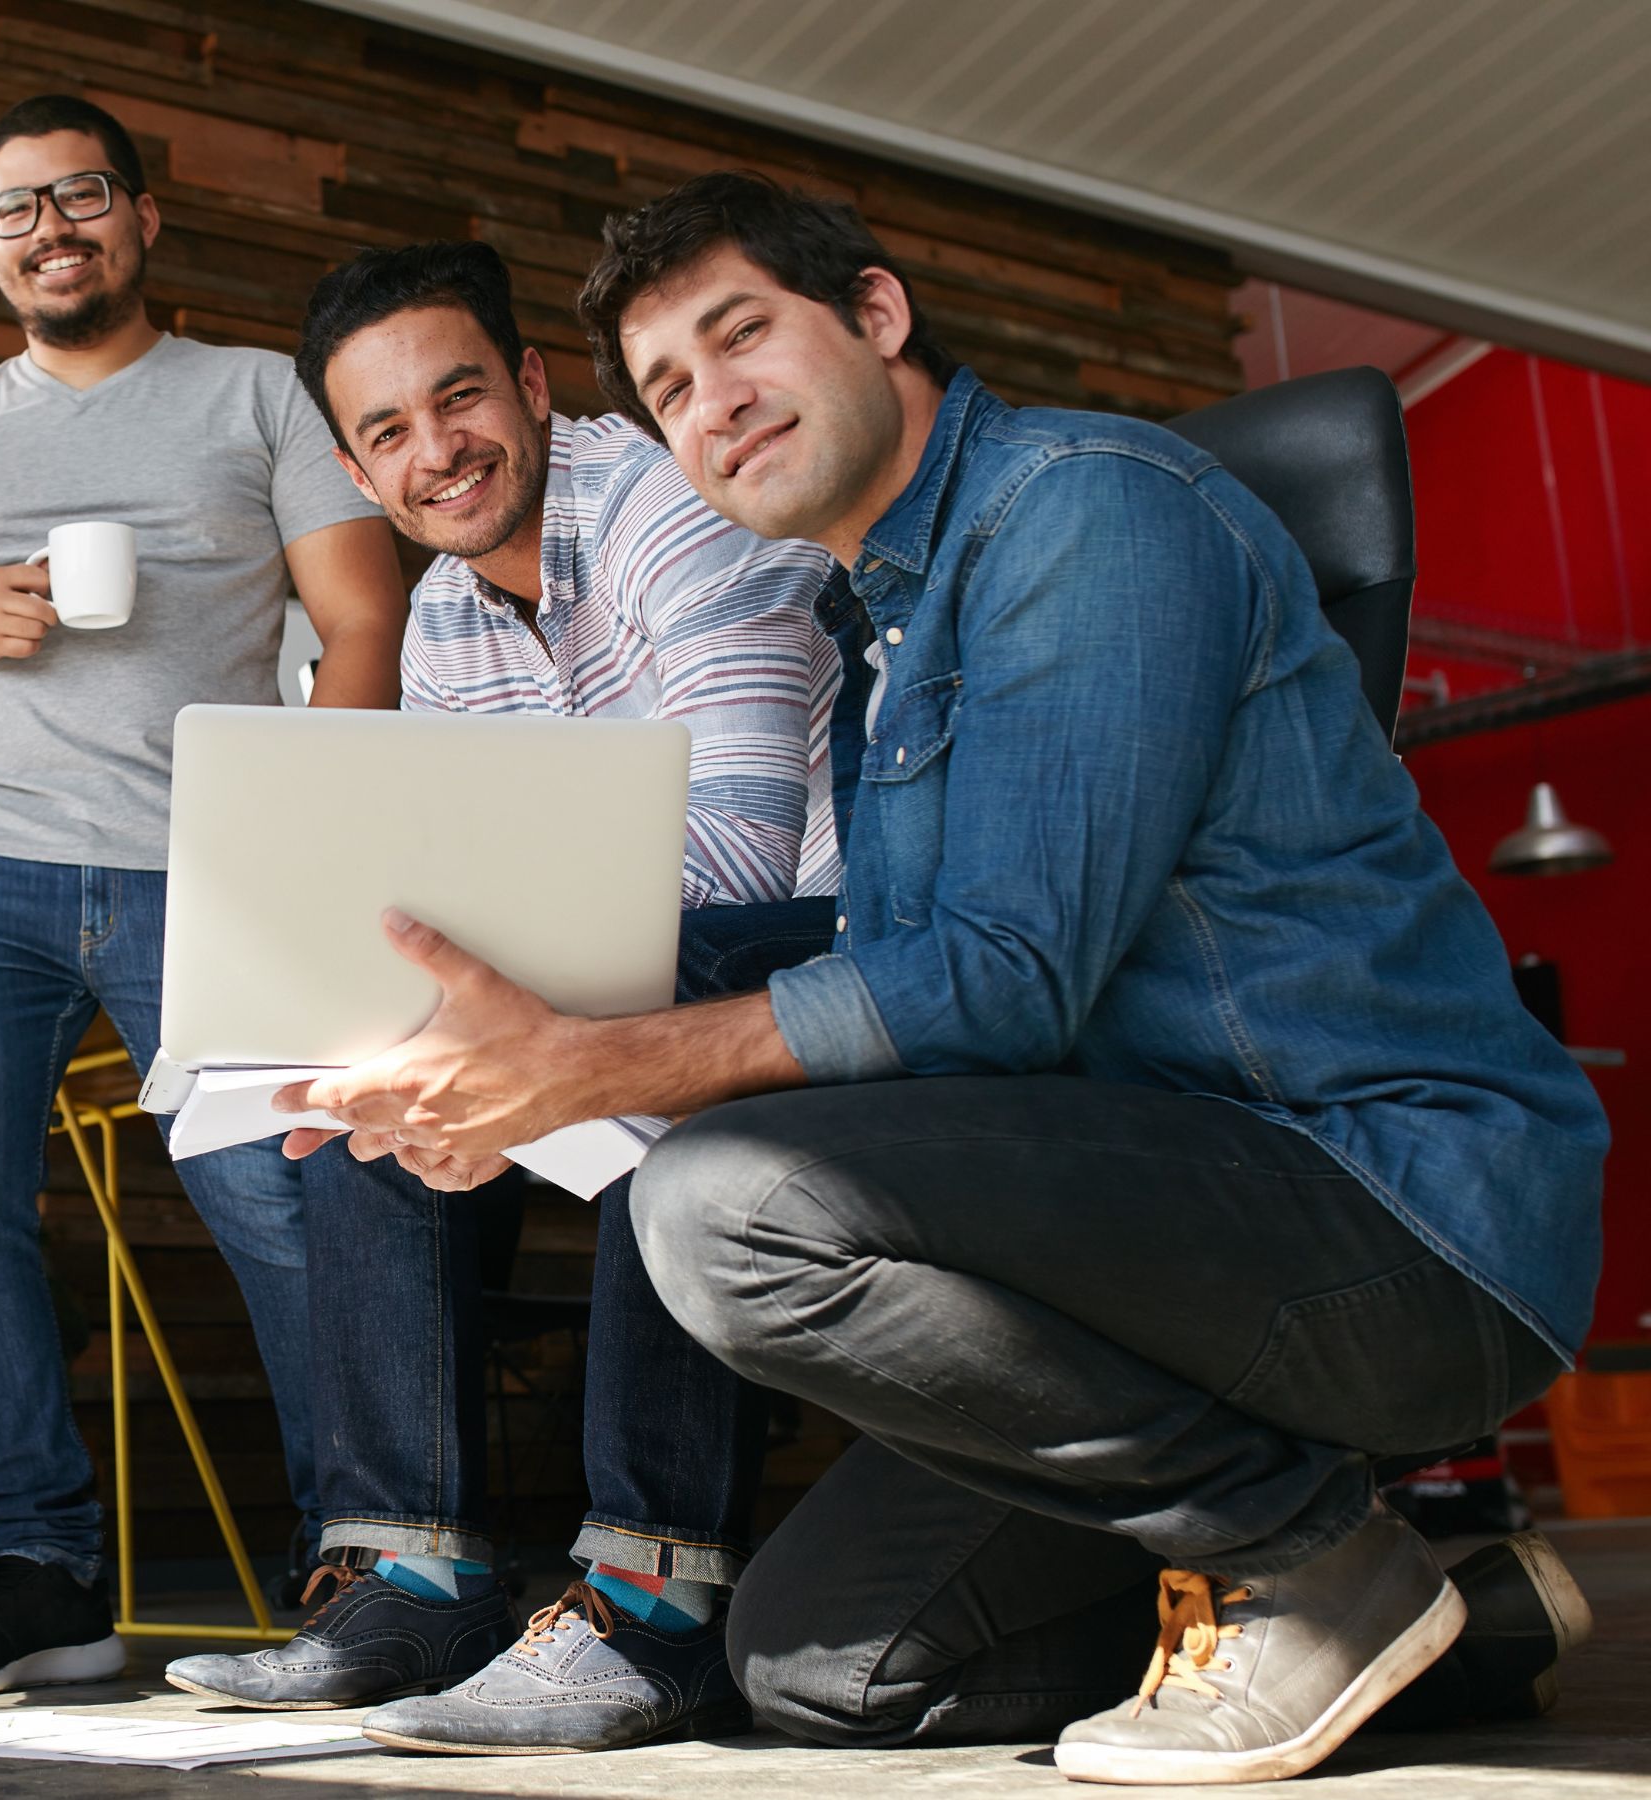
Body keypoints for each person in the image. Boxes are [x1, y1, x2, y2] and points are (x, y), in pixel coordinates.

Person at [289, 172, 1608, 1785]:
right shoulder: (881, 626)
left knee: (719, 1204)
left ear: (878, 313)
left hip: (1387, 1209)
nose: (715, 408)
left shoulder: (1088, 510)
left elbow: (1005, 983)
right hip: (1140, 1255)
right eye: (674, 389)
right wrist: (500, 1100)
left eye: (741, 338)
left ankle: (1305, 1553)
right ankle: (1437, 1620)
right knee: (824, 1674)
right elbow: (901, 1001)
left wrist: (596, 1068)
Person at [164, 240, 842, 1727]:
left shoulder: (675, 506)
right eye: (387, 434)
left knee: (632, 997)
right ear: (354, 466)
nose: (437, 453)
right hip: (617, 965)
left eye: (459, 398)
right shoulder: (443, 619)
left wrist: (510, 1020)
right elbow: (450, 900)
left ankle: (655, 1602)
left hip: (813, 949)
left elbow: (740, 856)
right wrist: (433, 1029)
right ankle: (411, 1580)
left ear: (532, 386)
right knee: (372, 1061)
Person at [0, 93, 421, 1700]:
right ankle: (40, 1576)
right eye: (15, 210)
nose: (50, 230)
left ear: (143, 218)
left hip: (203, 859)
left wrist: (306, 838)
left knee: (279, 1204)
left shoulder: (259, 396)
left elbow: (360, 623)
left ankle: (368, 1561)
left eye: (79, 196)